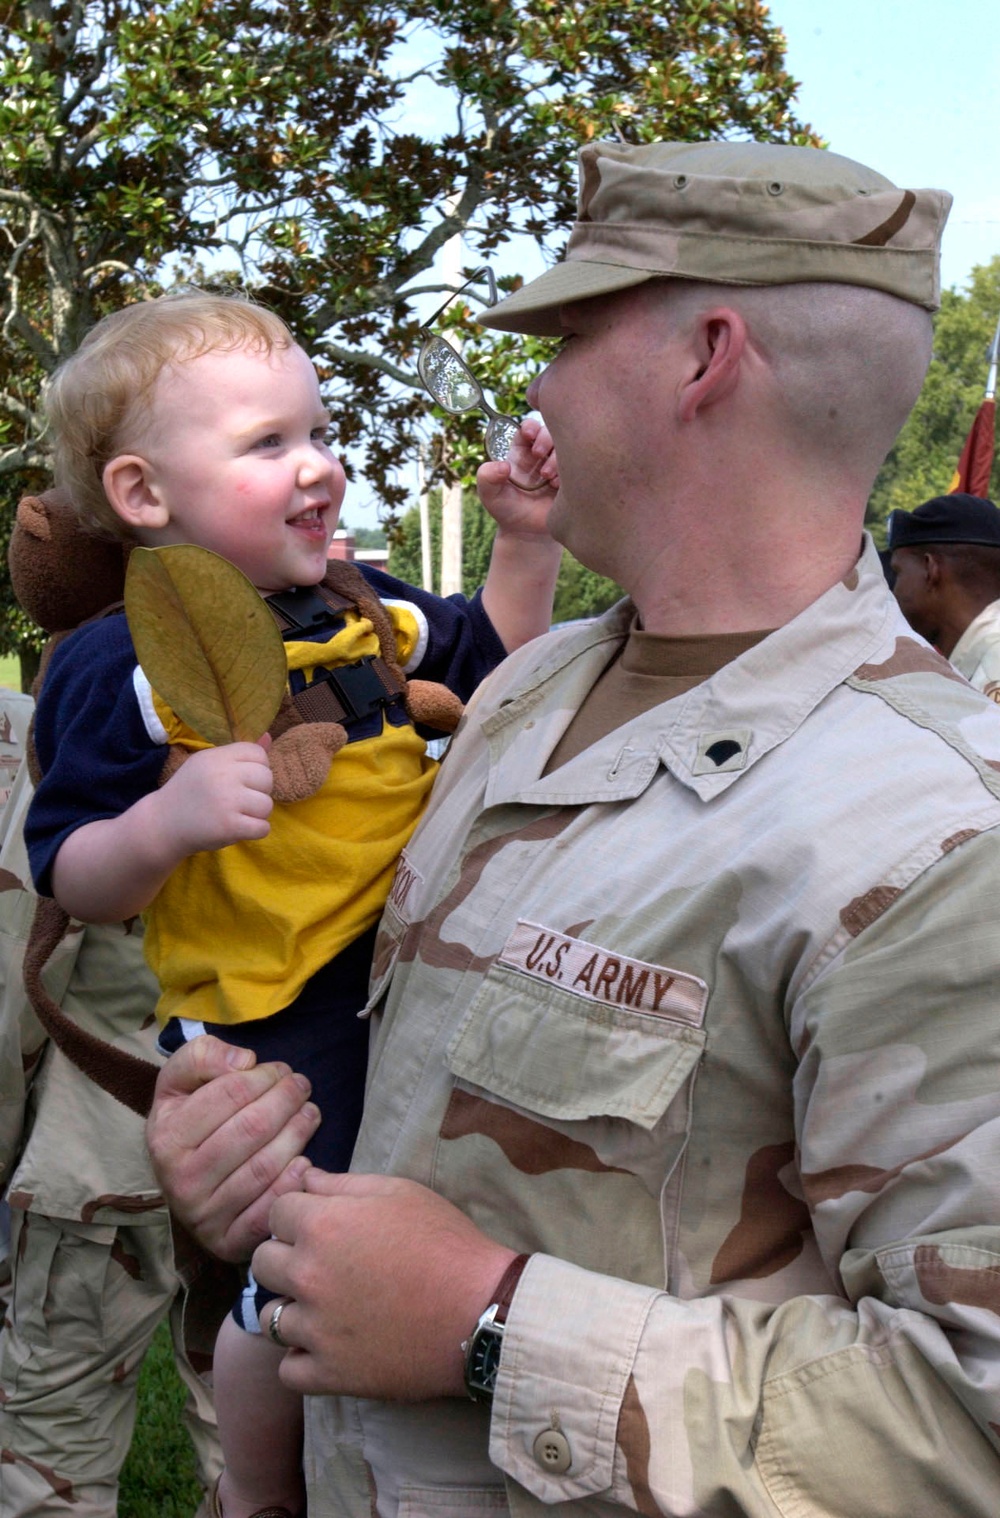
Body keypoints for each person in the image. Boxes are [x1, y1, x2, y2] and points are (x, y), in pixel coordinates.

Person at [148, 140, 1000, 1516]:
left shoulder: (940, 837)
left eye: (565, 335)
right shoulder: (529, 691)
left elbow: (975, 1422)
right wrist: (266, 1184)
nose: (533, 384)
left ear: (704, 357)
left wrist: (494, 1326)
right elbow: (431, 1141)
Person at [23, 291, 561, 1518]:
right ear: (144, 495)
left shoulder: (367, 609)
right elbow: (69, 865)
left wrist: (526, 543)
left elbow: (510, 672)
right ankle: (263, 1495)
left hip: (411, 970)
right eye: (268, 445)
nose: (318, 465)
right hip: (276, 1011)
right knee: (302, 1274)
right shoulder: (125, 660)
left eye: (318, 433)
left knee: (426, 1216)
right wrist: (167, 820)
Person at [0, 688, 223, 1518]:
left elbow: (25, 955)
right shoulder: (334, 690)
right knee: (265, 1427)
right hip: (260, 1122)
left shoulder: (69, 705)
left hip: (102, 1150)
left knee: (58, 1440)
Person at [888, 492, 1000, 697]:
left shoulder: (991, 671)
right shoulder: (978, 662)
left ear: (930, 570)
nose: (894, 592)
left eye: (898, 572)